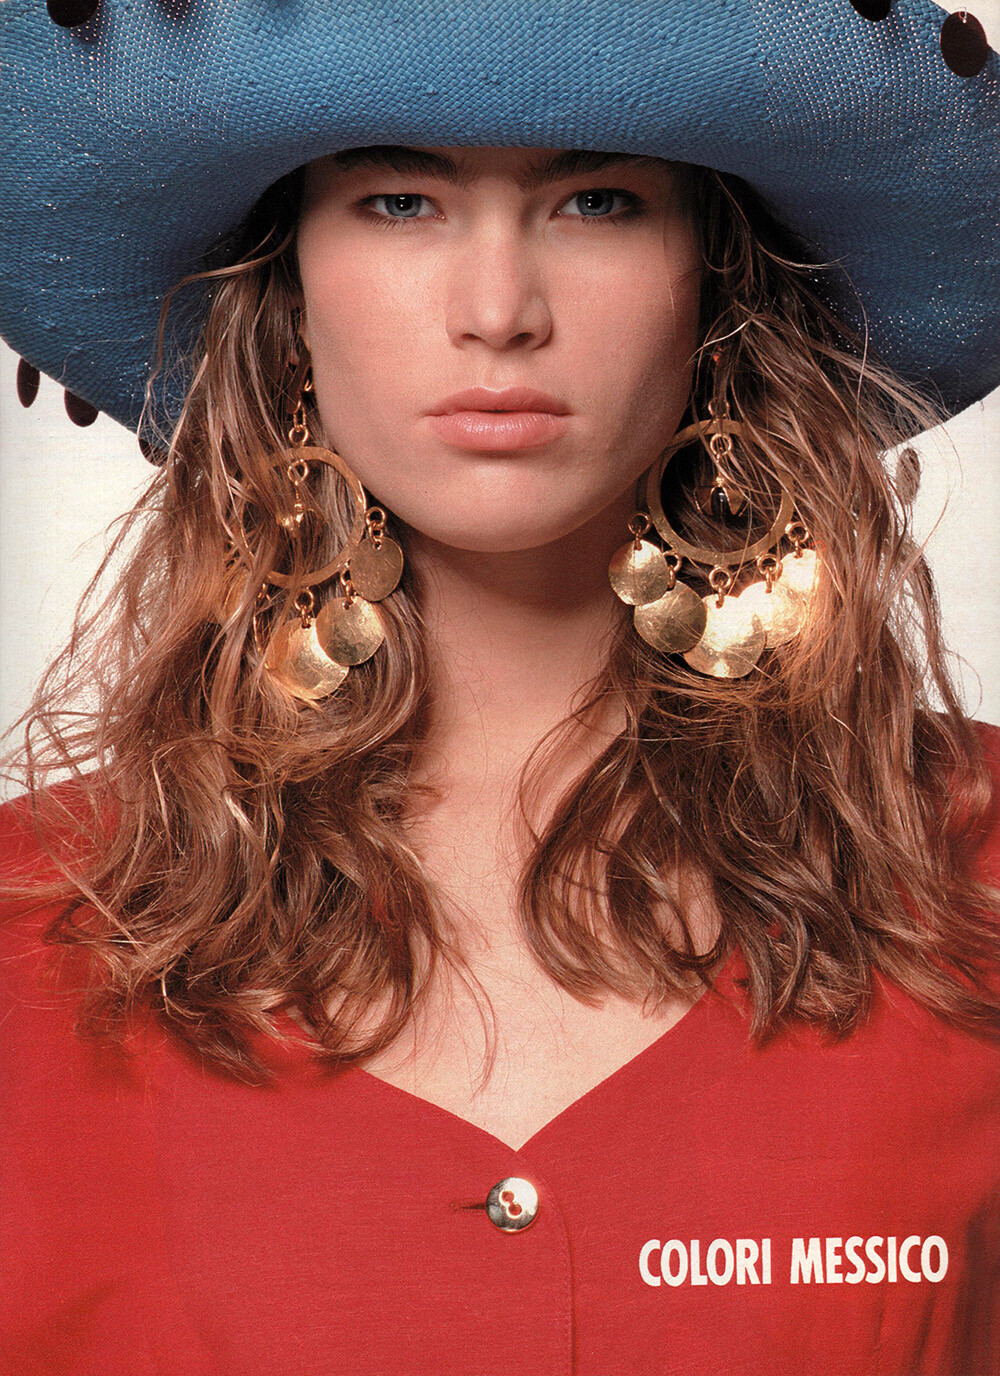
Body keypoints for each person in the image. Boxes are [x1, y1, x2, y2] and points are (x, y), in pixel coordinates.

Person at [1, 3, 998, 1374]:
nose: (497, 312)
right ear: (285, 292)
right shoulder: (30, 926)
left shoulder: (977, 867)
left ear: (719, 284)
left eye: (598, 202)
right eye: (399, 202)